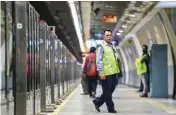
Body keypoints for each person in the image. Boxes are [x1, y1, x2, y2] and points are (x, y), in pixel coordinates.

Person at [92, 29, 121, 113]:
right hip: (106, 73)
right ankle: (111, 108)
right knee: (107, 92)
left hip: (114, 72)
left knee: (110, 90)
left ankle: (97, 102)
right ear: (104, 37)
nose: (109, 37)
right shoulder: (101, 46)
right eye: (107, 35)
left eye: (110, 35)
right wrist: (101, 72)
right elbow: (99, 60)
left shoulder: (112, 46)